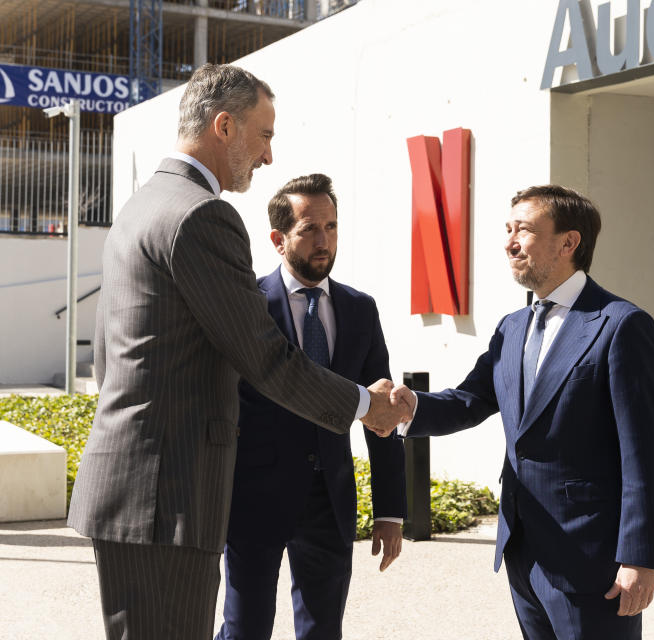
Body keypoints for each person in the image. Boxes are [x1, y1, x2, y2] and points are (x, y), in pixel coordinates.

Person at [66, 64, 408, 640]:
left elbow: (107, 354)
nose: (269, 156)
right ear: (224, 126)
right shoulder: (202, 214)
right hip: (167, 497)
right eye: (265, 134)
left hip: (137, 488)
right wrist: (362, 405)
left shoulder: (143, 204)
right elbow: (265, 356)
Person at [386, 185, 654, 639]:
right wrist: (410, 407)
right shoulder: (512, 327)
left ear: (568, 242)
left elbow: (646, 454)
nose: (509, 242)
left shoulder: (621, 325)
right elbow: (472, 399)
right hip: (523, 549)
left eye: (523, 229)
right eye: (507, 229)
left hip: (592, 559)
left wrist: (641, 556)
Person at [215, 173, 406, 640]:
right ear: (279, 239)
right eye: (309, 230)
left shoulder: (361, 310)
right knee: (246, 629)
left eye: (332, 227)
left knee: (323, 631)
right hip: (253, 499)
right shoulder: (248, 306)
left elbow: (379, 409)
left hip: (330, 499)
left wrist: (390, 510)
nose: (324, 241)